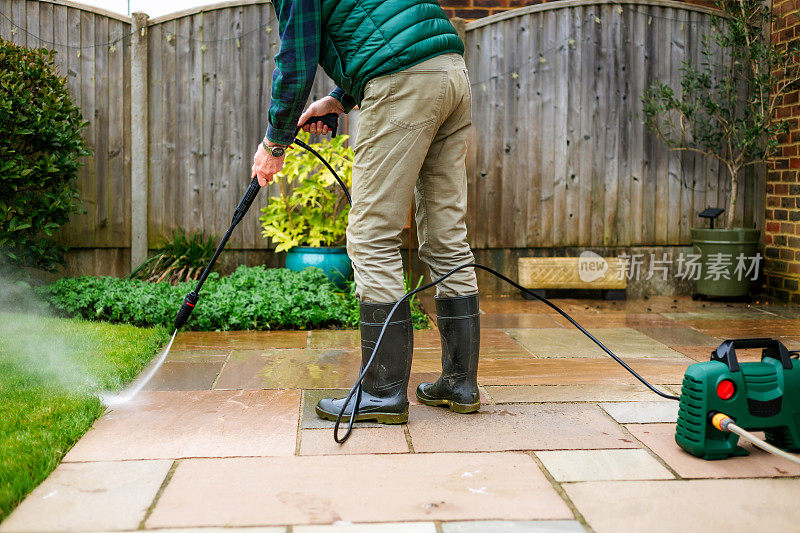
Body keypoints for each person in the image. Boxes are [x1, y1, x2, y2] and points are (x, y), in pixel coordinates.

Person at [251, 0, 480, 424]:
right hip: (450, 72)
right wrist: (339, 99)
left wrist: (275, 141)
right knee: (448, 236)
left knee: (372, 236)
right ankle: (460, 383)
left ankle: (382, 392)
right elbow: (381, 23)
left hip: (402, 82)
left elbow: (296, 56)